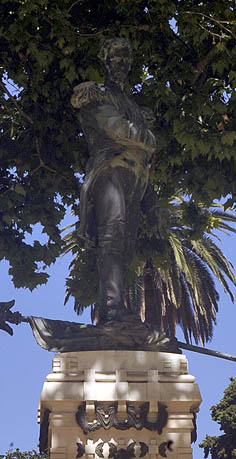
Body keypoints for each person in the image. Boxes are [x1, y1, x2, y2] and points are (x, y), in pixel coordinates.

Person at [71, 37, 157, 326]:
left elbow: (144, 160)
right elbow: (117, 130)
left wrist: (152, 205)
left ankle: (116, 311)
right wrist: (149, 138)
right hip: (109, 172)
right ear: (105, 59)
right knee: (112, 238)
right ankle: (112, 310)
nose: (122, 61)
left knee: (126, 246)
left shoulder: (130, 103)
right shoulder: (96, 95)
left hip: (134, 180)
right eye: (116, 55)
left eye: (126, 56)